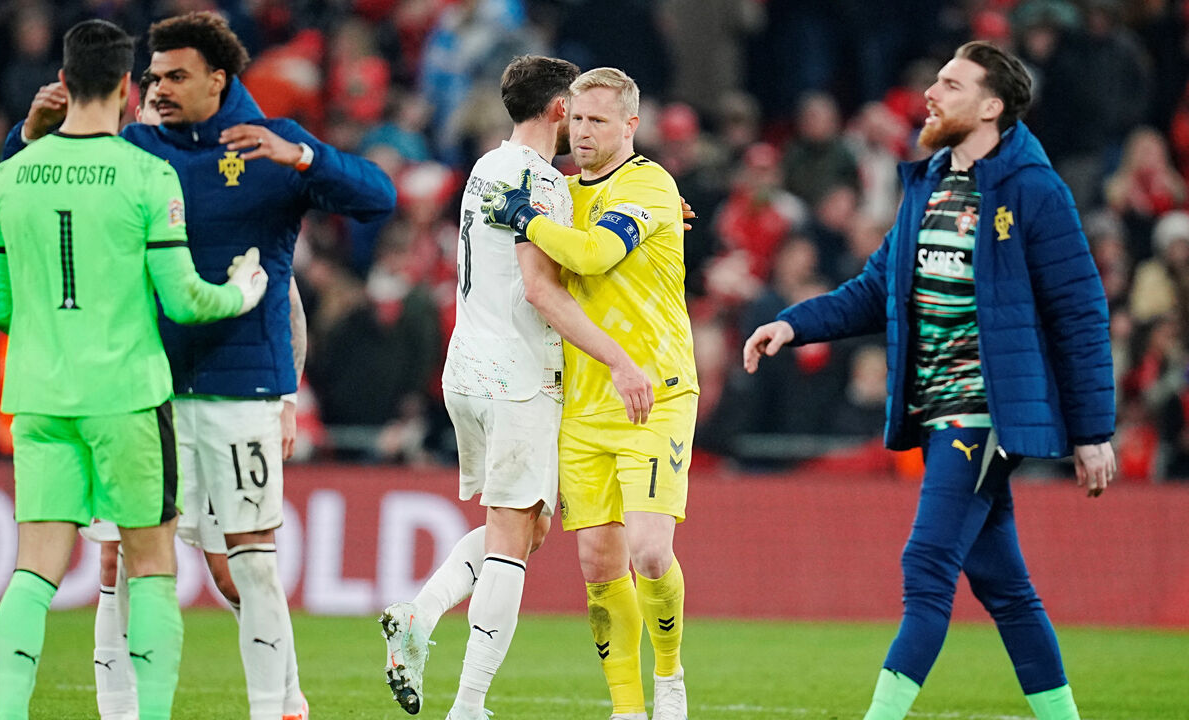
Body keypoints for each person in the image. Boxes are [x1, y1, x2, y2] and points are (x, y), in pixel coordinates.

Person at [6, 12, 396, 720]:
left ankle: (277, 705)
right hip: (143, 386)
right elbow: (28, 189)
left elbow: (378, 198)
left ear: (219, 79)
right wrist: (28, 134)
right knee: (120, 561)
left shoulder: (273, 144)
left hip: (241, 388)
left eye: (175, 76)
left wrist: (306, 160)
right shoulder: (135, 151)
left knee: (246, 562)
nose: (157, 88)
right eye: (152, 76)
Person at [742, 41, 1116, 720]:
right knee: (1004, 587)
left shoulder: (1034, 189)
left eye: (950, 83)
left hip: (984, 412)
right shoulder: (930, 182)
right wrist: (794, 325)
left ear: (991, 105)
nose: (931, 94)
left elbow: (1081, 310)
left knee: (926, 566)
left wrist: (1093, 431)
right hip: (937, 408)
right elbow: (874, 289)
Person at [0, 19, 268, 720]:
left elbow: (0, 312)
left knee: (33, 572)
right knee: (150, 570)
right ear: (123, 88)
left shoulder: (8, 179)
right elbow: (184, 299)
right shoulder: (147, 175)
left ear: (63, 82)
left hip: (42, 398)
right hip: (129, 402)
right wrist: (245, 290)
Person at [377, 55, 653, 720]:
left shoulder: (487, 168)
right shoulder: (541, 185)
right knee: (511, 539)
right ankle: (468, 704)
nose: (583, 121)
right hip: (518, 376)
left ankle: (421, 613)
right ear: (560, 109)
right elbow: (542, 290)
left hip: (467, 365)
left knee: (526, 530)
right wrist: (617, 358)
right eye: (578, 108)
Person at [484, 66, 698, 720]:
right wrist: (535, 213)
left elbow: (596, 255)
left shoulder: (651, 184)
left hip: (653, 391)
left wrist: (524, 215)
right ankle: (627, 709)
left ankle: (669, 676)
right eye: (576, 119)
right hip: (584, 402)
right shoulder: (564, 193)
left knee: (651, 551)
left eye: (599, 121)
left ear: (631, 125)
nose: (582, 132)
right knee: (600, 564)